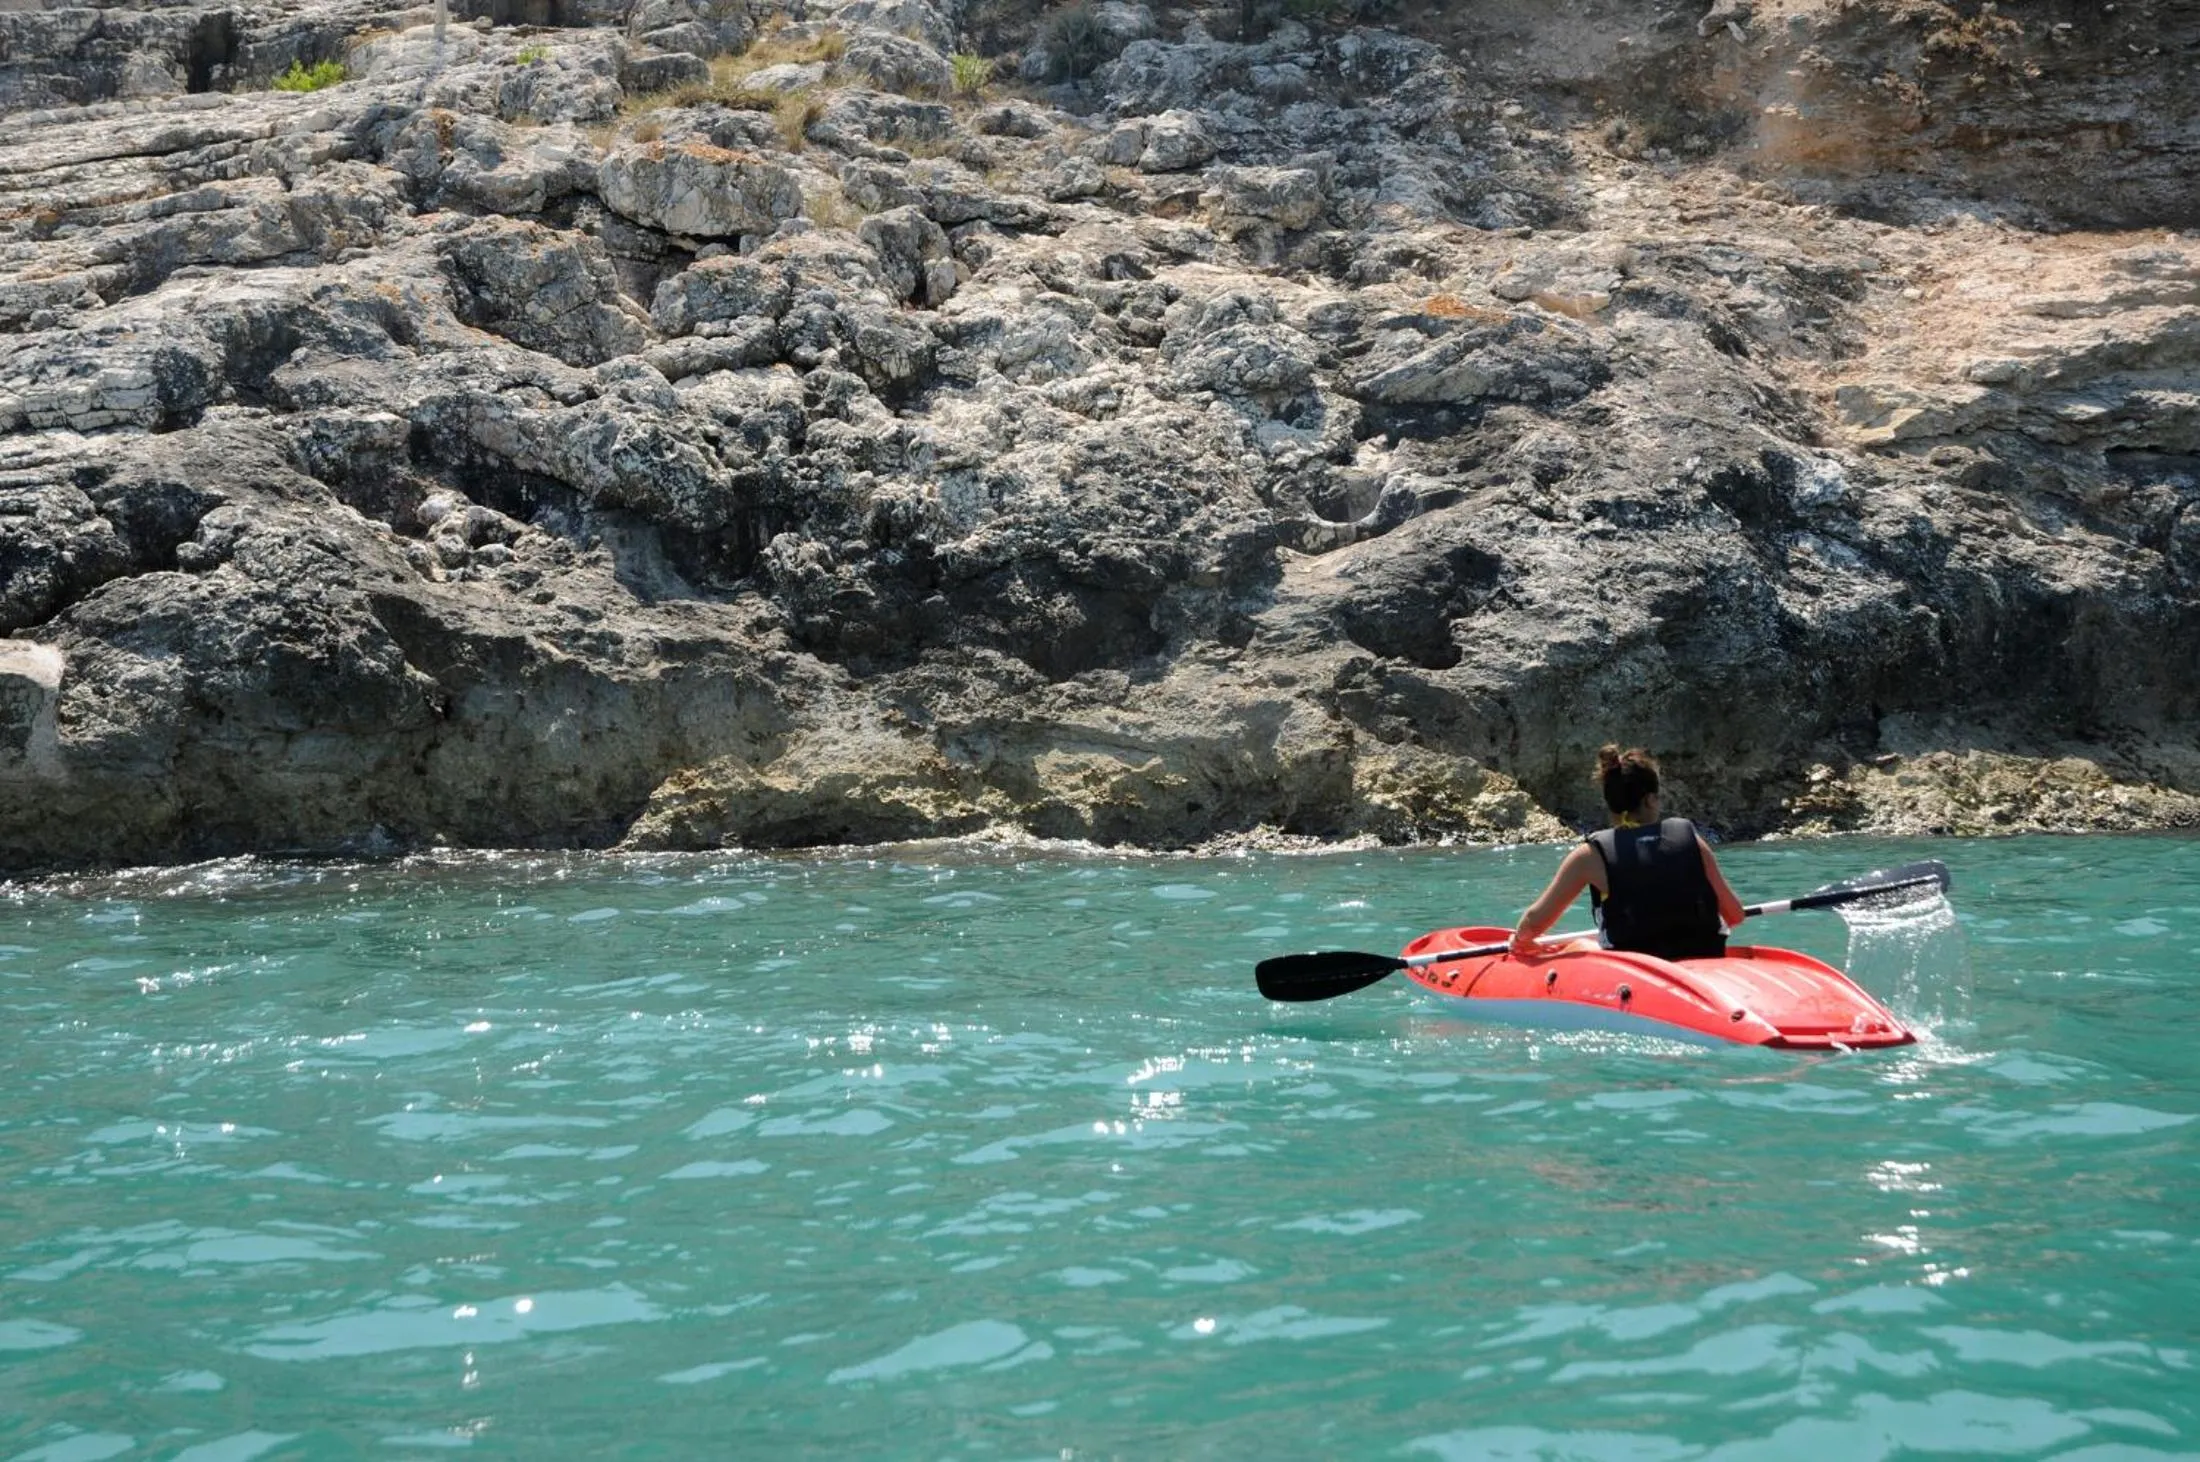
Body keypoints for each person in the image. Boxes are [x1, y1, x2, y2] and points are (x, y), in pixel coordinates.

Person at [1509, 745, 1746, 961]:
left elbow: (1534, 922)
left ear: (1610, 802)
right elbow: (1734, 915)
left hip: (1637, 971)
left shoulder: (1589, 856)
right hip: (1704, 957)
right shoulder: (1691, 840)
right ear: (1650, 800)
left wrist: (1519, 940)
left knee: (1578, 945)